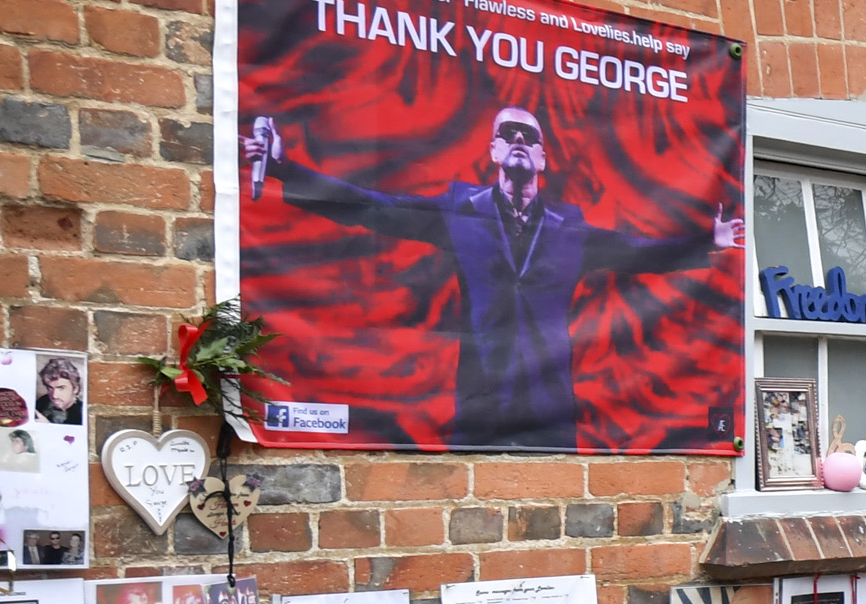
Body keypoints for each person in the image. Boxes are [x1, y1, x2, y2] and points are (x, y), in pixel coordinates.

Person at [241, 107, 715, 449]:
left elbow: (639, 253)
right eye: (508, 133)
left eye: (529, 136)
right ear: (492, 149)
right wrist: (285, 168)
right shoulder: (459, 210)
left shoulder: (571, 229)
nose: (519, 141)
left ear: (544, 157)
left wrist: (708, 240)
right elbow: (373, 208)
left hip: (551, 412)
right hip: (480, 405)